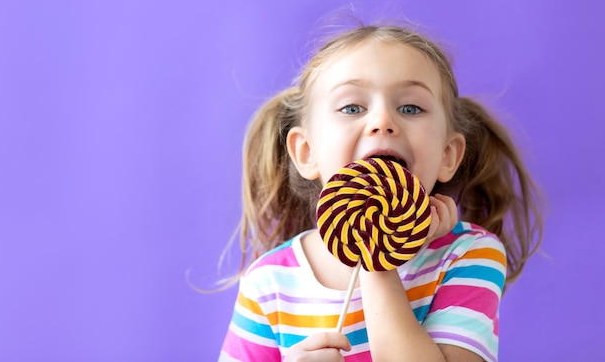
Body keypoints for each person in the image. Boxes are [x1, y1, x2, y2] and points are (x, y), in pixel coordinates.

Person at [217, 24, 543, 362]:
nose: (383, 121)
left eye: (411, 108)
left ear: (447, 156)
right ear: (306, 152)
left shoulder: (467, 255)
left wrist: (378, 260)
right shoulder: (268, 284)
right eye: (352, 108)